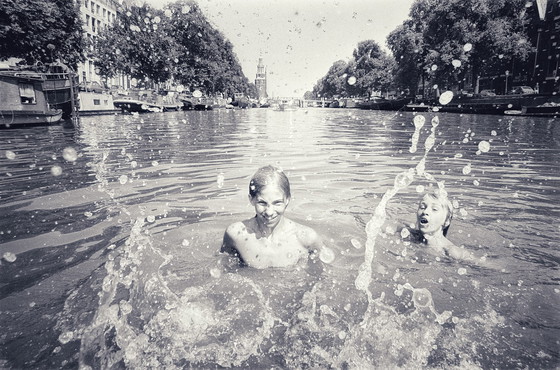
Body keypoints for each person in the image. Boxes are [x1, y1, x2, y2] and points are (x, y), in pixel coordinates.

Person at [220, 165, 325, 269]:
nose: (269, 212)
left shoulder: (307, 238)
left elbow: (320, 274)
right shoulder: (236, 234)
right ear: (251, 199)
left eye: (277, 203)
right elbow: (224, 267)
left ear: (287, 199)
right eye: (262, 203)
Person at [411, 188, 476, 261]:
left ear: (446, 221)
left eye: (434, 209)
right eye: (422, 207)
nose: (425, 211)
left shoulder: (451, 252)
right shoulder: (411, 236)